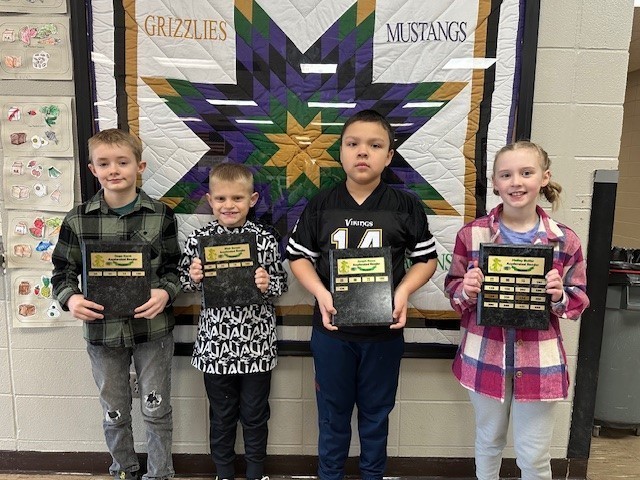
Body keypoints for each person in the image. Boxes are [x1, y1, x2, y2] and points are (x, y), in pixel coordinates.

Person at [286, 109, 438, 480]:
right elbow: (298, 257)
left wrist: (403, 291)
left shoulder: (406, 206)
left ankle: (372, 475)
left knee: (376, 414)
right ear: (340, 152)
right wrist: (322, 293)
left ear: (389, 155)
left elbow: (426, 260)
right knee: (332, 416)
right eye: (353, 144)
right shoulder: (322, 204)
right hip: (333, 334)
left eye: (374, 145)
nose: (362, 152)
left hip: (383, 333)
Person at [444, 141, 590, 480]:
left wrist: (558, 297)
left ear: (544, 177)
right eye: (506, 175)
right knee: (489, 442)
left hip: (540, 362)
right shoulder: (473, 234)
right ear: (495, 183)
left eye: (526, 172)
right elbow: (452, 292)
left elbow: (578, 299)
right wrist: (465, 289)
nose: (516, 182)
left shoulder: (564, 240)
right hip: (484, 356)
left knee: (534, 455)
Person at [51, 129, 181, 480]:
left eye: (122, 162)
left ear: (139, 166)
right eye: (104, 163)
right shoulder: (78, 220)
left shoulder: (161, 215)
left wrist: (166, 292)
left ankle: (160, 474)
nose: (114, 170)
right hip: (102, 332)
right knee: (114, 411)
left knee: (156, 409)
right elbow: (61, 273)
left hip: (152, 331)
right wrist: (71, 299)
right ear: (92, 169)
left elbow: (174, 268)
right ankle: (123, 470)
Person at [178, 162, 287, 480]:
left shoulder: (264, 239)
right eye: (221, 199)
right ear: (210, 201)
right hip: (216, 348)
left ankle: (256, 471)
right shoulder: (200, 239)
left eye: (237, 198)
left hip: (257, 348)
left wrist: (268, 283)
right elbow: (185, 282)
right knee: (222, 415)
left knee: (255, 414)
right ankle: (223, 472)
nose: (229, 205)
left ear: (252, 200)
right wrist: (194, 275)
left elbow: (281, 285)